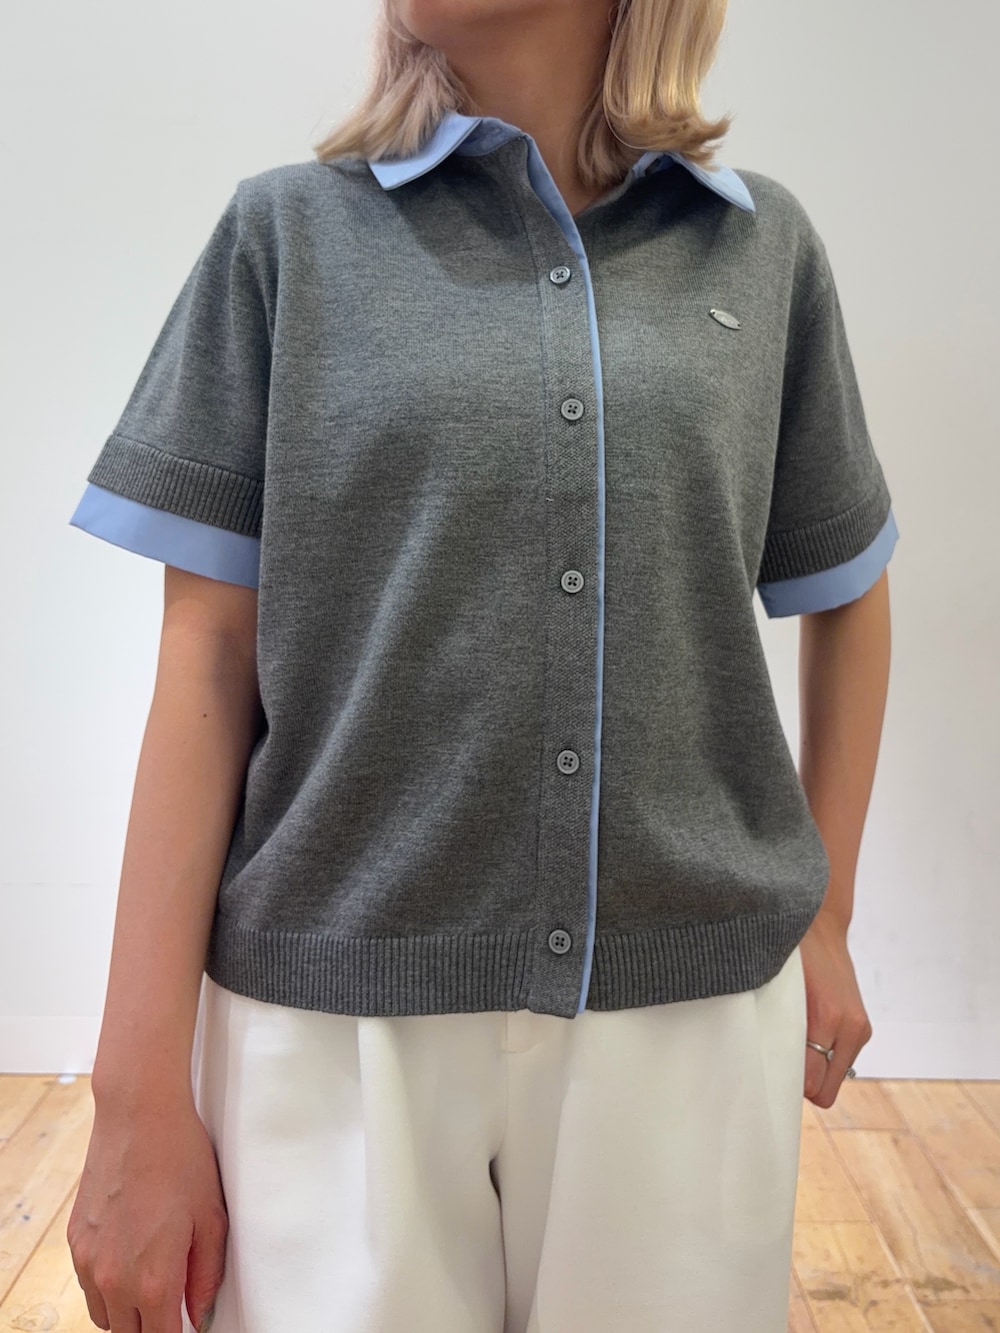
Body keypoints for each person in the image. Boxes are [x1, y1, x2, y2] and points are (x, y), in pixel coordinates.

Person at [65, 0, 897, 1328]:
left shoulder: (759, 250)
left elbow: (848, 589)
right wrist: (133, 1093)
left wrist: (832, 915)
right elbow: (207, 661)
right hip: (333, 1027)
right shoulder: (286, 239)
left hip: (684, 1016)